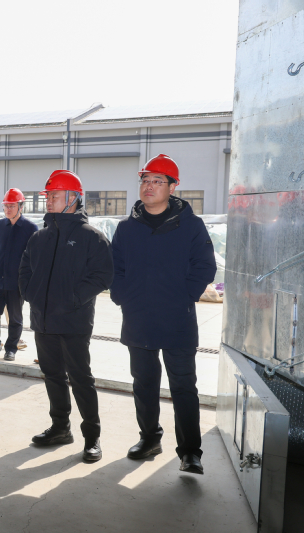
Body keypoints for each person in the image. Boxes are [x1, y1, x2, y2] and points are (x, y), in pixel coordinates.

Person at [109, 154, 216, 475]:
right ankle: (149, 438)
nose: (149, 186)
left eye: (157, 181)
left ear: (172, 187)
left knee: (183, 386)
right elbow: (115, 268)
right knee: (143, 383)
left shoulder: (191, 226)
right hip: (138, 318)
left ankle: (190, 452)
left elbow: (205, 266)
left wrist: (184, 296)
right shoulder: (127, 228)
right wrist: (122, 296)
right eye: (145, 180)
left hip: (177, 319)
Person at [18, 170, 113, 463]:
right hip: (43, 321)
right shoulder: (39, 237)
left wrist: (72, 299)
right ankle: (60, 427)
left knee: (80, 378)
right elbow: (25, 270)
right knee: (52, 375)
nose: (48, 201)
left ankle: (92, 436)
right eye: (48, 196)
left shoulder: (91, 237)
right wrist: (32, 295)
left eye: (55, 196)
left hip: (74, 321)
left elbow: (103, 275)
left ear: (73, 198)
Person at [0, 188, 38, 361]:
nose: (8, 209)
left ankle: (11, 348)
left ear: (21, 206)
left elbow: (34, 257)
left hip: (16, 282)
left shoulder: (30, 229)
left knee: (15, 318)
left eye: (12, 206)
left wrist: (29, 281)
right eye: (6, 206)